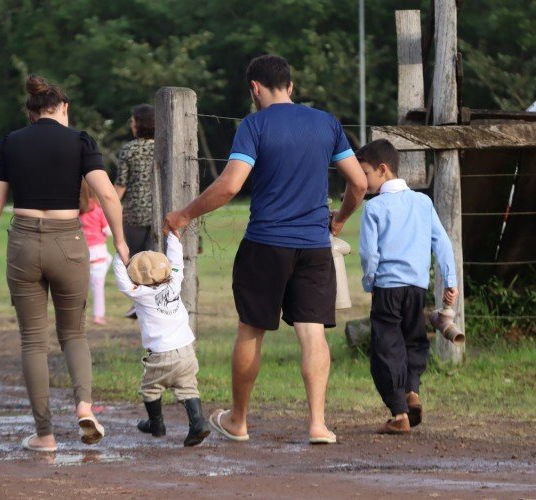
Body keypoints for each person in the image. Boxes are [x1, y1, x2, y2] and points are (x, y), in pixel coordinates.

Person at [163, 54, 368, 444]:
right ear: (290, 86)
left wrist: (185, 214)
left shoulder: (254, 125)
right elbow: (358, 183)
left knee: (251, 330)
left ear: (254, 88)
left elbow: (229, 185)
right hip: (313, 246)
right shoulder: (327, 123)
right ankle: (318, 425)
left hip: (266, 243)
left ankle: (238, 420)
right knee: (312, 334)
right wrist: (339, 219)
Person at [0, 75, 129, 452]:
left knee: (33, 341)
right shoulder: (80, 141)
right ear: (63, 108)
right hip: (69, 241)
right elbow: (107, 193)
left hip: (24, 240)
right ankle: (85, 406)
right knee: (73, 333)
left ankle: (45, 435)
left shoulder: (10, 142)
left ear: (32, 113)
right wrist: (121, 242)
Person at [356, 139, 458, 434]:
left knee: (385, 348)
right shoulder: (423, 202)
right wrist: (450, 281)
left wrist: (370, 281)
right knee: (414, 340)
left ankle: (399, 413)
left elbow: (369, 254)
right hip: (416, 287)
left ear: (383, 170)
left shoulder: (374, 208)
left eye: (365, 173)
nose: (362, 180)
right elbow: (442, 243)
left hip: (387, 287)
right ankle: (412, 390)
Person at [112, 233, 210, 447]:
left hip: (161, 354)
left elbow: (121, 281)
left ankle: (156, 424)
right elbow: (176, 263)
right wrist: (173, 238)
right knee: (187, 387)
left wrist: (119, 254)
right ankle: (198, 422)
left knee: (150, 389)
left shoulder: (139, 294)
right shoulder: (174, 281)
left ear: (136, 277)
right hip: (186, 351)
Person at [114, 104, 155, 319]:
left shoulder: (129, 149)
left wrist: (104, 207)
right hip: (160, 213)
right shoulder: (164, 147)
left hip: (134, 214)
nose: (131, 124)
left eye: (132, 121)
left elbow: (120, 186)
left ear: (140, 124)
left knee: (136, 263)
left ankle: (140, 303)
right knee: (156, 263)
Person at [79, 179, 113, 325]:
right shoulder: (99, 211)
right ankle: (98, 315)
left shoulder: (76, 212)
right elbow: (108, 231)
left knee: (81, 288)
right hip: (98, 253)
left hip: (82, 253)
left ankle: (79, 315)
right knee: (98, 287)